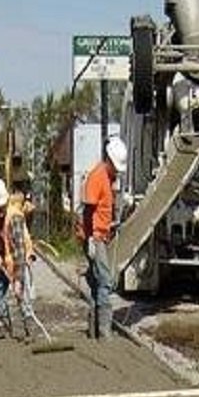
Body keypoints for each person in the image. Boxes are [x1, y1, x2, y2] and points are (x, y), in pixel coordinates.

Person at [81, 135, 127, 340]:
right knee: (105, 282)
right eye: (116, 167)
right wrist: (91, 238)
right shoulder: (97, 176)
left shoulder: (108, 178)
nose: (117, 171)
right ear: (108, 159)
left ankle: (93, 331)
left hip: (101, 234)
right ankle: (105, 331)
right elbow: (89, 210)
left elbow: (103, 209)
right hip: (95, 236)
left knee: (96, 282)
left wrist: (110, 225)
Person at [0, 178, 36, 338]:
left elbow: (19, 251)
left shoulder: (15, 217)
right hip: (4, 262)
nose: (0, 211)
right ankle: (8, 329)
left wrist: (18, 279)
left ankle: (31, 334)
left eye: (2, 207)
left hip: (20, 260)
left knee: (23, 301)